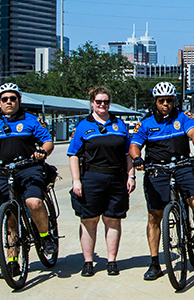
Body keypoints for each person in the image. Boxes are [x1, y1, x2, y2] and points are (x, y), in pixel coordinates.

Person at [0, 83, 56, 278]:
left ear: (19, 100)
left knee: (33, 202)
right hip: (2, 172)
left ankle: (45, 237)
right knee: (10, 217)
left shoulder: (31, 120)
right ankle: (12, 261)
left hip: (29, 169)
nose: (9, 102)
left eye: (13, 98)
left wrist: (43, 151)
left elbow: (47, 142)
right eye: (4, 99)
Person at [129, 82, 194, 281]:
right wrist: (137, 159)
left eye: (169, 100)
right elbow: (134, 145)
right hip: (156, 169)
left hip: (183, 165)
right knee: (154, 217)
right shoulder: (146, 122)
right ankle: (155, 263)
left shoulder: (183, 118)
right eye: (161, 101)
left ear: (174, 101)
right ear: (155, 102)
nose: (165, 104)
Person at [67, 86, 136, 277]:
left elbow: (128, 153)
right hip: (91, 178)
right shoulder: (83, 125)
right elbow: (73, 154)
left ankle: (111, 261)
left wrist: (131, 176)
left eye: (105, 101)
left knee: (113, 219)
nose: (102, 105)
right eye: (98, 102)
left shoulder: (119, 124)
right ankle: (88, 262)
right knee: (89, 220)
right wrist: (76, 181)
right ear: (92, 103)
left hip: (117, 178)